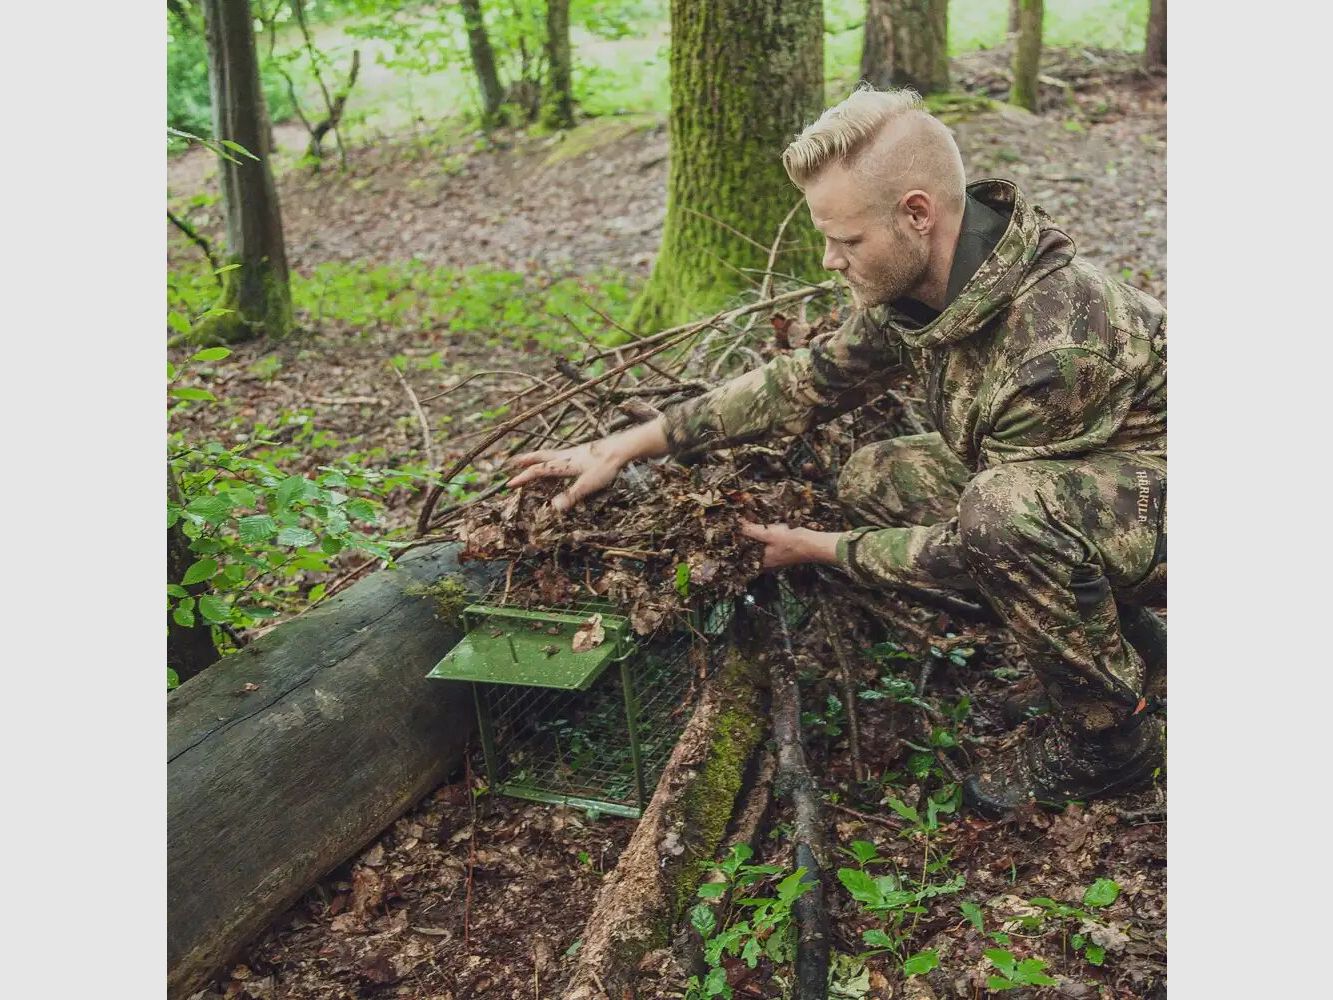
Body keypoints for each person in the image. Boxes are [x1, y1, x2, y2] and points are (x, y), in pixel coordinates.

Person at [506, 86, 1166, 816]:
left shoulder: (1054, 346)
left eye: (847, 241)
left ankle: (1111, 739)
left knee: (1001, 515)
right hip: (1097, 487)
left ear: (917, 214)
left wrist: (819, 549)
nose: (829, 260)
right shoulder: (927, 284)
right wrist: (629, 445)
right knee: (877, 476)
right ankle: (1133, 650)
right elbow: (804, 382)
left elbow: (977, 544)